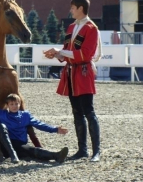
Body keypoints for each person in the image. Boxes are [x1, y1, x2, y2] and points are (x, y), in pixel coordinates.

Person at [43, 0, 102, 162]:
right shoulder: (71, 27)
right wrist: (56, 54)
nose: (71, 10)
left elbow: (86, 54)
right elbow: (68, 52)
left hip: (83, 73)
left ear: (80, 8)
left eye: (73, 8)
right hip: (71, 74)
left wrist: (60, 51)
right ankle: (82, 150)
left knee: (89, 112)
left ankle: (96, 151)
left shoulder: (92, 29)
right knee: (77, 112)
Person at [0, 87, 69, 164]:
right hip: (6, 146)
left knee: (32, 151)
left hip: (20, 144)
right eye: (11, 104)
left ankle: (57, 156)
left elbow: (39, 124)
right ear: (7, 105)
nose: (14, 106)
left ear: (20, 104)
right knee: (1, 126)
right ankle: (13, 156)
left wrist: (55, 129)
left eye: (16, 103)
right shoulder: (2, 114)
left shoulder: (26, 115)